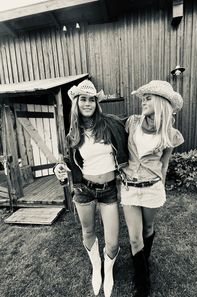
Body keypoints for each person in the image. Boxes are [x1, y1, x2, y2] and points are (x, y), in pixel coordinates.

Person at [54, 79, 128, 297]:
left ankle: (109, 270)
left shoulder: (111, 124)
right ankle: (97, 268)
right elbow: (66, 159)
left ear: (97, 103)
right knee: (88, 231)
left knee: (112, 243)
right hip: (83, 189)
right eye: (83, 99)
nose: (87, 103)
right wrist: (59, 167)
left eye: (91, 100)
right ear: (77, 103)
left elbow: (133, 125)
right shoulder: (73, 133)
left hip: (108, 191)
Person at [120, 80, 184, 297]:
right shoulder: (131, 123)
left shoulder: (170, 134)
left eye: (148, 98)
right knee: (135, 237)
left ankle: (143, 262)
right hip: (129, 187)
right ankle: (143, 283)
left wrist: (162, 188)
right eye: (143, 98)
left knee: (148, 230)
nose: (143, 102)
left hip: (152, 189)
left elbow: (164, 165)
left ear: (160, 102)